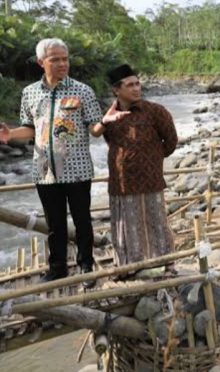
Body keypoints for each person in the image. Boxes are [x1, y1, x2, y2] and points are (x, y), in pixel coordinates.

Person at [0, 38, 121, 287]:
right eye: (55, 59)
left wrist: (106, 121)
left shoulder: (82, 91)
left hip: (77, 169)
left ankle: (85, 263)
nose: (62, 63)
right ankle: (57, 268)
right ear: (40, 62)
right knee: (54, 223)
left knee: (81, 219)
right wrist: (11, 134)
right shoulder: (30, 93)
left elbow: (94, 130)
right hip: (44, 170)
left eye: (65, 58)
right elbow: (29, 129)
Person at [90, 64, 177, 268]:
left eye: (138, 84)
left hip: (150, 180)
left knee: (156, 222)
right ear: (116, 90)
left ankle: (165, 264)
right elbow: (108, 140)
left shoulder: (156, 112)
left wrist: (150, 160)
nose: (136, 88)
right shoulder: (108, 116)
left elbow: (171, 142)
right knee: (125, 225)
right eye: (130, 85)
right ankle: (130, 266)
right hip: (121, 182)